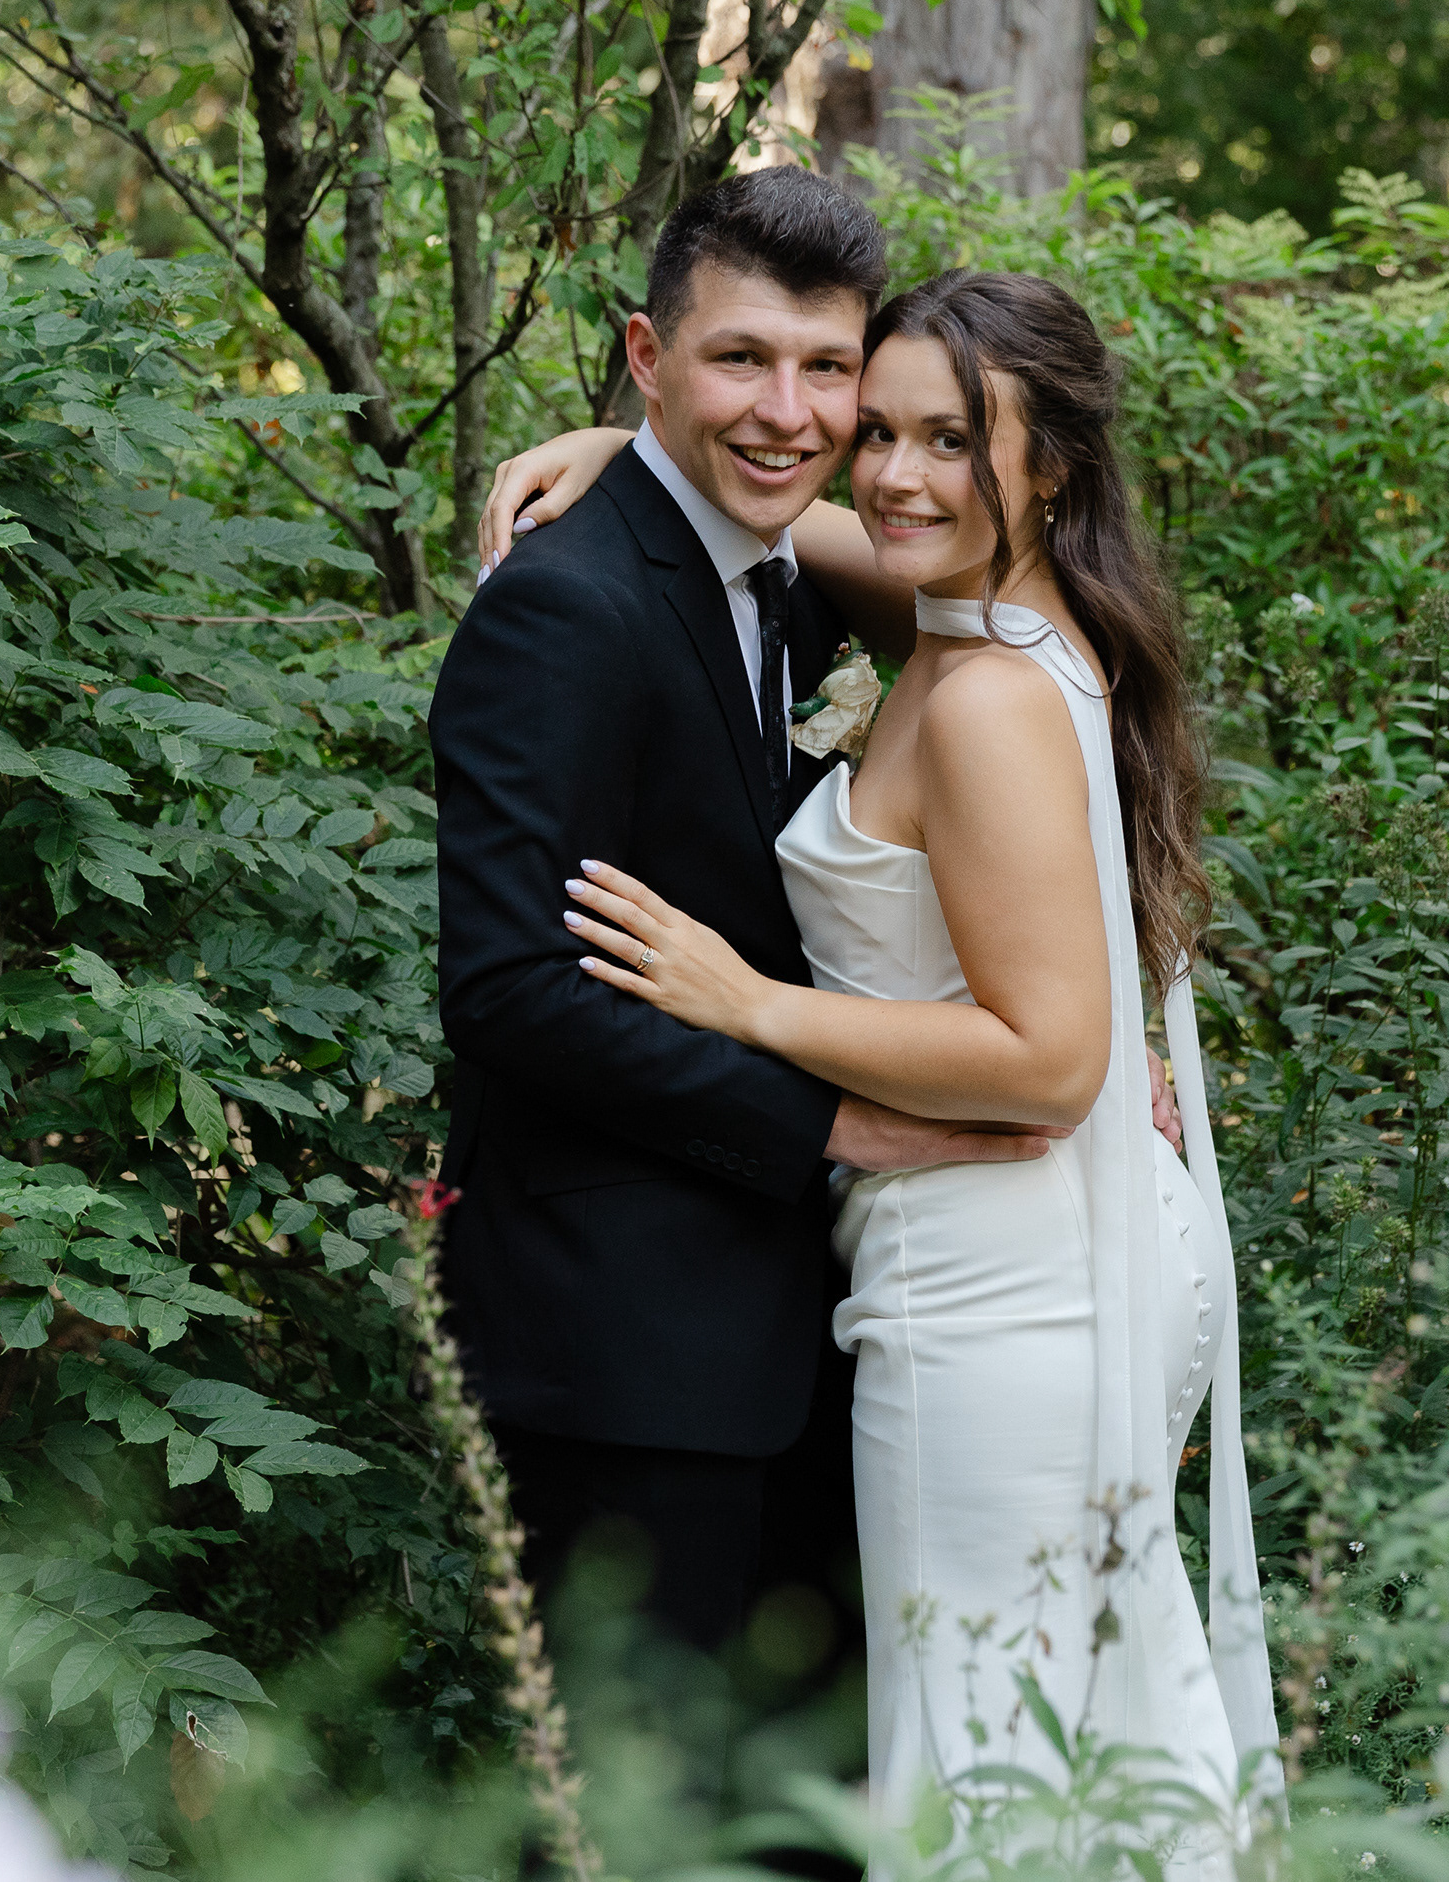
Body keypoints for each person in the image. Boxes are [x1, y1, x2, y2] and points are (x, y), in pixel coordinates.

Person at [473, 270, 1277, 1866]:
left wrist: (748, 1003)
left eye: (953, 442)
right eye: (882, 429)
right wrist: (632, 443)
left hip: (1004, 1277)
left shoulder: (985, 698)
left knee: (978, 1765)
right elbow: (786, 521)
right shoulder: (981, 612)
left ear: (1050, 468)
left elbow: (1052, 1059)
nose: (897, 475)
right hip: (1048, 1247)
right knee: (1067, 1732)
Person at [428, 172, 1061, 1780]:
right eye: (739, 360)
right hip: (625, 1355)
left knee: (802, 1813)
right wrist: (828, 1124)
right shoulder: (561, 610)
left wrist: (621, 446)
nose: (788, 412)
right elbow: (511, 989)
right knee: (642, 1818)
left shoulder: (787, 577)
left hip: (806, 1334)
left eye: (826, 368)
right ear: (648, 355)